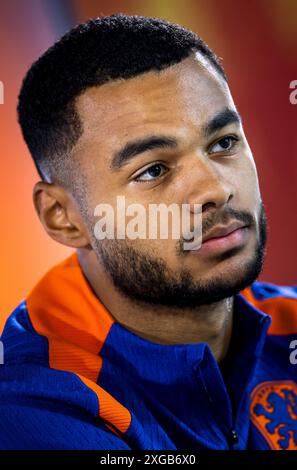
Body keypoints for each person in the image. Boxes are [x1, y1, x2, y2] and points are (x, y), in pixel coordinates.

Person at [0, 13, 296, 450]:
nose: (216, 189)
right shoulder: (30, 406)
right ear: (62, 215)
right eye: (154, 170)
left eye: (224, 143)